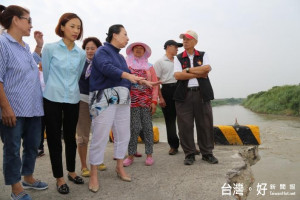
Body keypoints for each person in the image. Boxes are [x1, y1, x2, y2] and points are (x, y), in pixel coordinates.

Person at [88, 24, 159, 193]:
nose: (127, 38)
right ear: (115, 35)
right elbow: (107, 68)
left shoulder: (120, 57)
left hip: (122, 97)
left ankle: (120, 167)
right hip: (103, 96)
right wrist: (129, 75)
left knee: (123, 134)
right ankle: (93, 174)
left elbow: (128, 76)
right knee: (100, 136)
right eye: (125, 34)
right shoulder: (102, 52)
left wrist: (143, 81)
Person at [0, 5, 48, 200]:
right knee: (12, 148)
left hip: (34, 108)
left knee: (32, 145)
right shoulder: (2, 43)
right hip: (14, 109)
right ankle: (15, 187)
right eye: (28, 20)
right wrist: (5, 108)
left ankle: (28, 177)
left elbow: (31, 63)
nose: (31, 24)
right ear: (15, 20)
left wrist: (38, 45)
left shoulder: (24, 46)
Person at [42, 13, 86, 194]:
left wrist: (68, 89)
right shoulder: (50, 48)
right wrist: (55, 87)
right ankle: (59, 177)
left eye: (78, 27)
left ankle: (71, 171)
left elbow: (77, 76)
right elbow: (46, 74)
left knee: (70, 137)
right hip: (52, 97)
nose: (76, 31)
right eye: (72, 26)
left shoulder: (81, 53)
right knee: (53, 138)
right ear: (62, 27)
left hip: (72, 98)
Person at [173, 30, 218, 165]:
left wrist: (187, 70)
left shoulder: (203, 55)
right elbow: (177, 76)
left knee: (205, 124)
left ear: (195, 42)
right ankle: (190, 154)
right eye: (183, 40)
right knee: (185, 125)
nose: (184, 42)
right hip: (184, 95)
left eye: (187, 39)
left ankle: (207, 153)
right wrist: (197, 73)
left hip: (202, 94)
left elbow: (207, 69)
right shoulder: (178, 57)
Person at [123, 42, 158, 167]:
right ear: (132, 51)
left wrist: (154, 101)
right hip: (131, 102)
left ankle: (149, 155)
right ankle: (131, 155)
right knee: (134, 129)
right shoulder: (126, 65)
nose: (138, 50)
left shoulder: (149, 66)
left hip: (146, 102)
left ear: (145, 52)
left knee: (148, 128)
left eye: (141, 49)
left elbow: (155, 85)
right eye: (136, 48)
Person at [77, 37, 106, 177]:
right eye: (87, 48)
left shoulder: (102, 64)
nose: (89, 51)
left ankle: (97, 161)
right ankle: (83, 166)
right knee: (82, 135)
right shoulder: (79, 63)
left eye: (92, 48)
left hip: (99, 101)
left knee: (99, 133)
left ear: (98, 49)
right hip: (82, 100)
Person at [153, 40, 182, 155]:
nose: (177, 49)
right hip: (167, 90)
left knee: (184, 120)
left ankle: (188, 146)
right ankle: (173, 146)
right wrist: (161, 97)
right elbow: (156, 82)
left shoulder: (179, 61)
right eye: (176, 47)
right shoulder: (160, 62)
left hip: (180, 89)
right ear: (168, 47)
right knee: (170, 121)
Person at [37, 63, 46, 157]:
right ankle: (39, 147)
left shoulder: (50, 72)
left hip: (49, 101)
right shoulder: (36, 73)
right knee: (40, 125)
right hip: (38, 102)